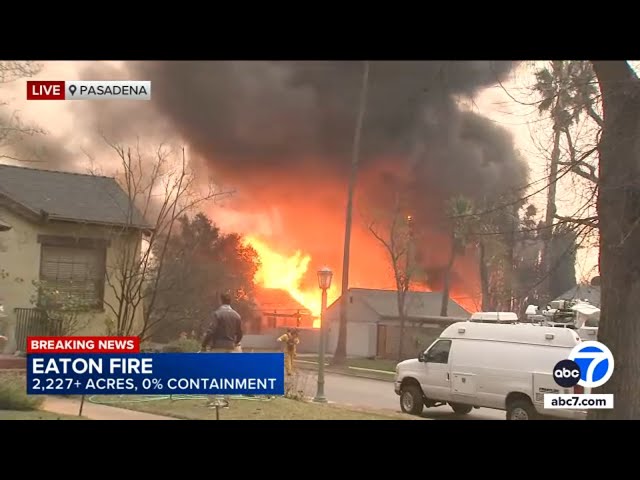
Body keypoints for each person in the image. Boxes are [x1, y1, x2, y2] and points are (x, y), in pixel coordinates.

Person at [200, 293, 243, 407]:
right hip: (230, 347)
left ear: (220, 301)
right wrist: (236, 342)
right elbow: (240, 333)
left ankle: (212, 400)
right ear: (230, 302)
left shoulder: (217, 314)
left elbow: (211, 330)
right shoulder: (236, 315)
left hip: (217, 346)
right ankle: (226, 401)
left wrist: (204, 345)